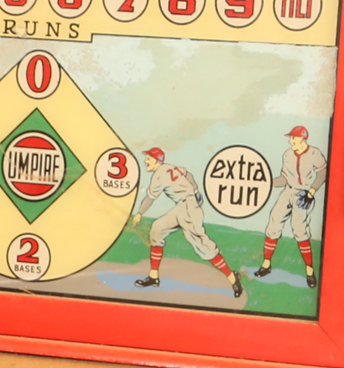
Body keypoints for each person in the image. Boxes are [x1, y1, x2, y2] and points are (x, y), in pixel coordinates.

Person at [129, 147, 243, 297]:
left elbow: (150, 198)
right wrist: (195, 190)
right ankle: (153, 277)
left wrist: (139, 213)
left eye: (148, 158)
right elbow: (188, 174)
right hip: (181, 207)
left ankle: (233, 277)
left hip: (188, 209)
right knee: (157, 229)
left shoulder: (159, 174)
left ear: (156, 160)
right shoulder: (170, 167)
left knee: (204, 247)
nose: (145, 161)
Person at [255, 125, 327, 286]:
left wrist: (311, 192)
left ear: (302, 138)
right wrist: (268, 182)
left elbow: (323, 173)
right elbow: (284, 178)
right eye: (291, 138)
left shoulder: (314, 153)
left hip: (304, 193)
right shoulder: (287, 154)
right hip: (288, 191)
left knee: (300, 231)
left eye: (294, 138)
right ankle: (266, 264)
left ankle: (310, 271)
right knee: (273, 224)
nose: (291, 141)